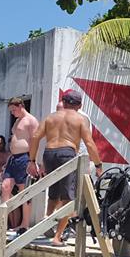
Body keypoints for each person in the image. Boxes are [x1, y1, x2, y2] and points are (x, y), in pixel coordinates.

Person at [28, 89, 102, 246]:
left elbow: (35, 137)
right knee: (69, 197)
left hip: (49, 154)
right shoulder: (79, 119)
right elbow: (89, 143)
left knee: (54, 193)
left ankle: (47, 221)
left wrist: (32, 160)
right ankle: (57, 237)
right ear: (79, 105)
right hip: (67, 153)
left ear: (63, 102)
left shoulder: (50, 117)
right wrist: (98, 165)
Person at [1, 98, 38, 234]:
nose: (12, 112)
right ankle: (3, 221)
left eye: (14, 109)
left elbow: (34, 141)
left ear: (21, 106)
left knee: (24, 191)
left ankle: (25, 224)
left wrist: (32, 161)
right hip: (13, 158)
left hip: (24, 158)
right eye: (11, 110)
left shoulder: (31, 120)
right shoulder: (17, 121)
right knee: (5, 187)